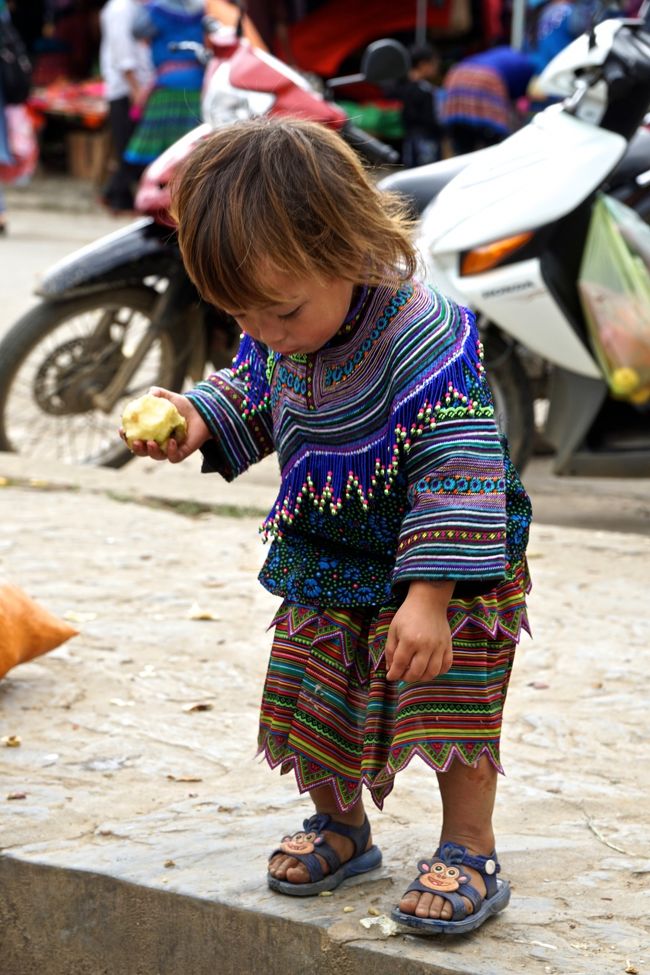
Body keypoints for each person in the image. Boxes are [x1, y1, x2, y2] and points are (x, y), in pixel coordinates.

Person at [124, 117, 532, 934]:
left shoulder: (420, 335)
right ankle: (341, 825)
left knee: (449, 697)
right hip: (328, 545)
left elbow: (460, 467)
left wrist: (428, 596)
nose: (262, 332)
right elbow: (255, 387)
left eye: (278, 310)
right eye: (239, 312)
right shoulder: (277, 325)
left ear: (344, 249)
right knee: (314, 691)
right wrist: (196, 417)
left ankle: (469, 847)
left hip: (441, 556)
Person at [124, 0, 204, 169]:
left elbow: (137, 31)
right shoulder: (203, 9)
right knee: (193, 148)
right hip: (197, 84)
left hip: (167, 85)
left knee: (161, 154)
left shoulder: (156, 10)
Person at [99, 0, 154, 213]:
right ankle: (116, 196)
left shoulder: (138, 8)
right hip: (125, 89)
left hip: (139, 87)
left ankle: (115, 194)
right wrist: (136, 90)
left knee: (132, 145)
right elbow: (123, 54)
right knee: (131, 147)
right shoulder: (120, 9)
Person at [440, 45, 536, 155]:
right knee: (491, 142)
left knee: (463, 142)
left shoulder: (503, 54)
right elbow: (517, 94)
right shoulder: (527, 67)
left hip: (457, 73)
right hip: (487, 79)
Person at [392, 41, 442, 167]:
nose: (436, 67)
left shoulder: (401, 87)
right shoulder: (424, 90)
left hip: (410, 139)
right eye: (434, 63)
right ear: (423, 64)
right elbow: (430, 118)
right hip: (426, 140)